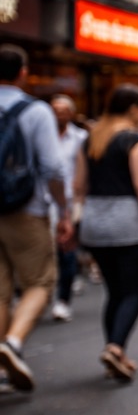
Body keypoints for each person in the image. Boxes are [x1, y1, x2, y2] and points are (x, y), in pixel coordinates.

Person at [74, 85, 138, 381]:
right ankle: (116, 347)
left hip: (94, 218)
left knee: (113, 291)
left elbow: (79, 186)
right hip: (127, 220)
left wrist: (72, 219)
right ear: (132, 108)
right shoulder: (134, 139)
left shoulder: (90, 137)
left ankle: (115, 350)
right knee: (133, 290)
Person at [0, 45, 73, 391]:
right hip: (26, 210)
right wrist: (64, 210)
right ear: (23, 72)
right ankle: (13, 343)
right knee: (40, 283)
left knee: (0, 292)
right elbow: (53, 167)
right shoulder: (36, 111)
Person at [51, 95, 88, 322]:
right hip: (45, 202)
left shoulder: (81, 138)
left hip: (71, 201)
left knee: (68, 249)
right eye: (54, 110)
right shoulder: (41, 136)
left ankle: (63, 299)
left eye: (63, 111)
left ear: (71, 114)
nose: (58, 115)